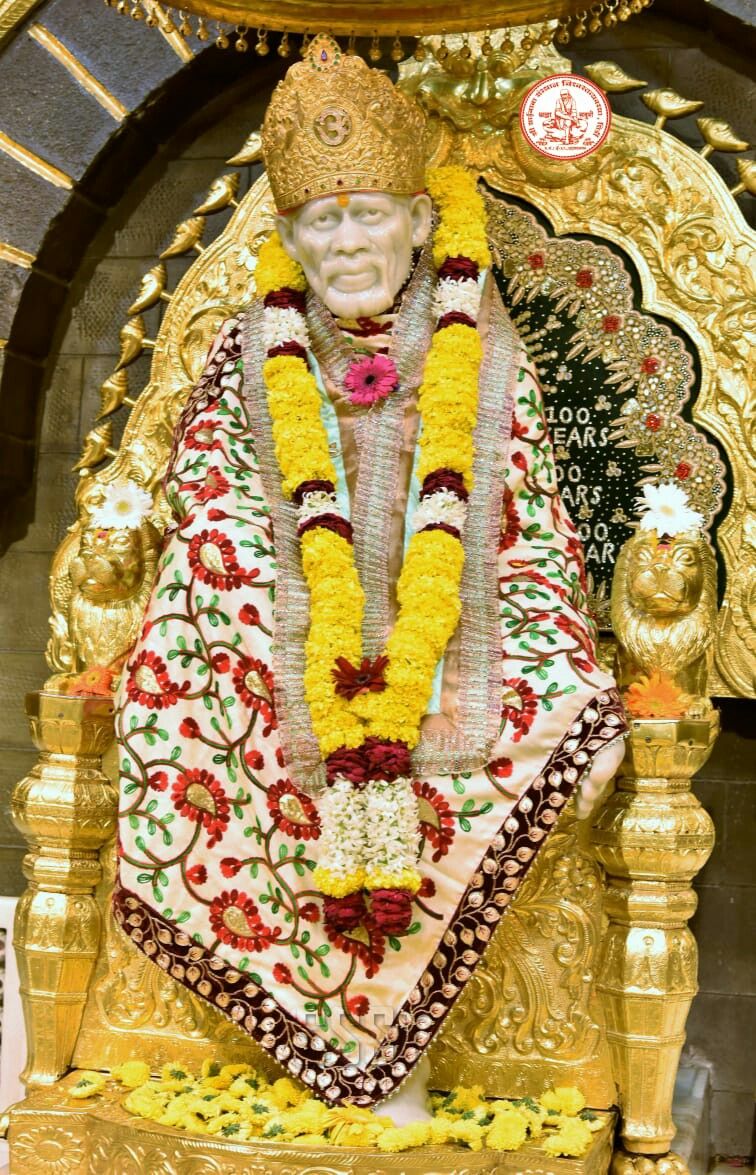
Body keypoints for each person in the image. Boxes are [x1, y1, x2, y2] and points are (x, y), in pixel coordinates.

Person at [113, 34, 627, 1117]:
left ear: (420, 220)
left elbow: (527, 521)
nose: (349, 241)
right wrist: (282, 625)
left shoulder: (481, 350)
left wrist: (539, 642)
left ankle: (408, 1046)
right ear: (292, 237)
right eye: (323, 220)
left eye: (369, 213)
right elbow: (209, 507)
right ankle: (327, 1050)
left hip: (457, 629)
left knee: (564, 714)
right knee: (223, 686)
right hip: (283, 638)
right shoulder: (249, 347)